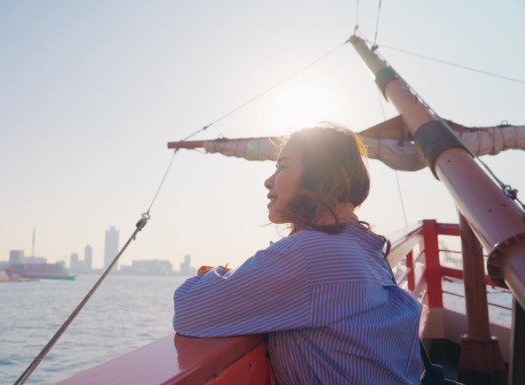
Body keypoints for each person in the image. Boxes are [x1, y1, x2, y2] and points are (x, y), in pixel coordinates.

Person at [173, 124, 422, 384]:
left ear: (322, 177)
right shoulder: (363, 249)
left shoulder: (311, 254)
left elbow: (189, 309)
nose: (268, 181)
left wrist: (221, 274)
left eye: (282, 166)